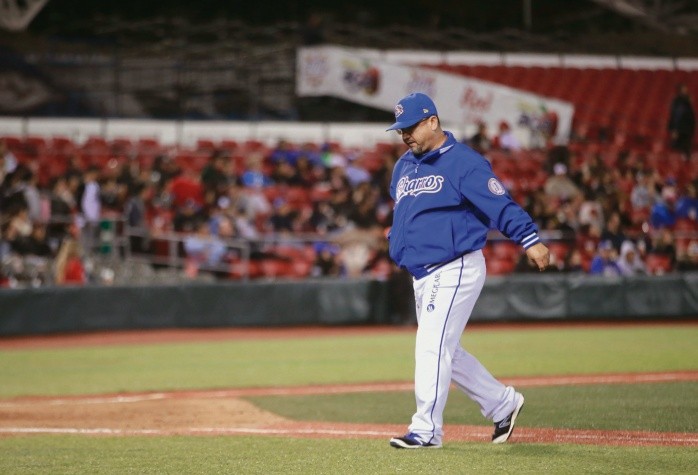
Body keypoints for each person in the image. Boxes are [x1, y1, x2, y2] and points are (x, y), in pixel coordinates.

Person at [384, 93, 550, 449]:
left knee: (431, 345)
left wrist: (529, 239)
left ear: (433, 122)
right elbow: (408, 211)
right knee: (448, 351)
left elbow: (498, 203)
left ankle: (426, 430)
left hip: (455, 264)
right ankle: (502, 404)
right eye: (400, 130)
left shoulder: (463, 162)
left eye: (410, 127)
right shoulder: (403, 166)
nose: (405, 135)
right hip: (421, 272)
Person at [667, 83, 695, 159]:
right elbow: (675, 115)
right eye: (684, 89)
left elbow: (691, 118)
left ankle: (685, 157)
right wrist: (674, 129)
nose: (686, 91)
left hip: (687, 128)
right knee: (678, 146)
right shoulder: (677, 101)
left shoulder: (688, 105)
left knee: (686, 146)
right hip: (680, 128)